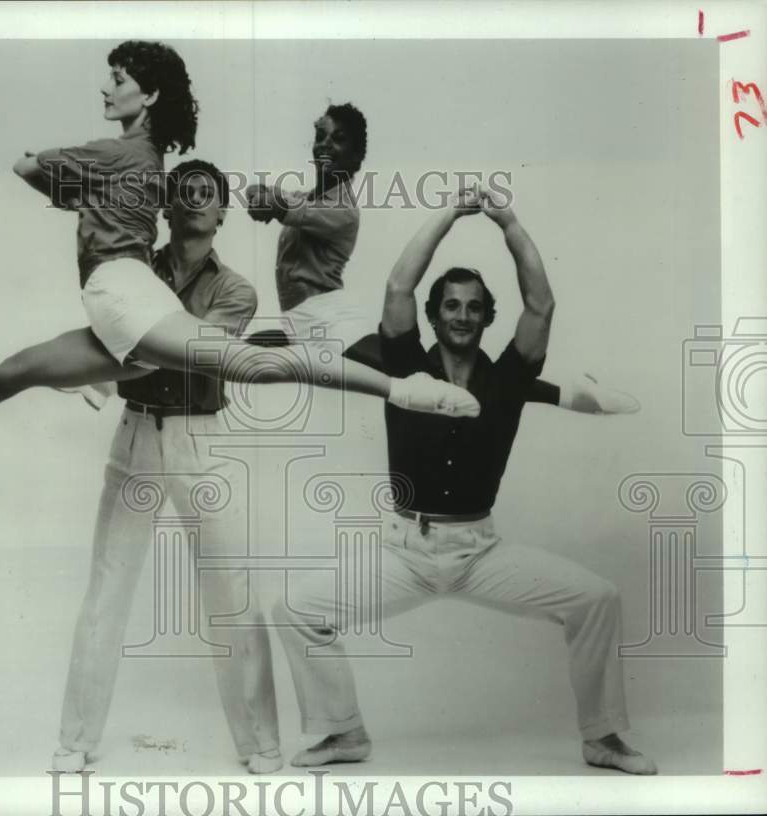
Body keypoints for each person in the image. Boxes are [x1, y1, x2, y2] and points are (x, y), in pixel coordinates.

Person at [0, 42, 478, 424]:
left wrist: (70, 185)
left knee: (255, 365)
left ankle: (407, 391)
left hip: (125, 297)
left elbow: (25, 166)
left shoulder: (121, 154)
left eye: (117, 79)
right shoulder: (140, 166)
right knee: (16, 372)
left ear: (147, 96)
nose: (106, 87)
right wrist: (83, 196)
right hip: (123, 302)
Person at [271, 184, 658, 775]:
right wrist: (450, 213)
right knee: (296, 610)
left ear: (485, 317)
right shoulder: (404, 364)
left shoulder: (507, 379)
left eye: (474, 307)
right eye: (451, 305)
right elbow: (398, 284)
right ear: (434, 314)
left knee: (597, 598)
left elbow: (541, 307)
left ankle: (602, 737)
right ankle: (343, 732)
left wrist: (508, 222)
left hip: (481, 552)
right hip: (405, 552)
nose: (462, 316)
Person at [53, 159, 282, 775]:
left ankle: (260, 745)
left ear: (222, 213)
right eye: (184, 193)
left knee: (229, 593)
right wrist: (115, 359)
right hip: (134, 437)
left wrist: (115, 355)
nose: (196, 202)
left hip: (200, 443)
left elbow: (191, 357)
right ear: (166, 208)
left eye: (207, 194)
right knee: (107, 586)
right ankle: (75, 741)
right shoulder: (133, 273)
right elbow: (135, 351)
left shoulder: (237, 291)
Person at [244, 103, 639, 416]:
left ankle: (570, 391)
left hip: (327, 317)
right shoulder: (306, 197)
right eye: (320, 136)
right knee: (235, 352)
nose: (325, 146)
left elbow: (282, 207)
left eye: (338, 140)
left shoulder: (343, 209)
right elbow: (276, 200)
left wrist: (268, 200)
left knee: (426, 378)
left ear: (357, 156)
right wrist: (261, 195)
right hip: (299, 320)